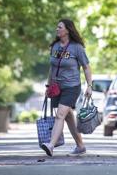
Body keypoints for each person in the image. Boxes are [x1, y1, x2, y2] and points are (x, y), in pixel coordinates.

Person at [40, 18, 93, 157]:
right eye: (57, 27)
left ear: (67, 30)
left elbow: (86, 67)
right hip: (57, 87)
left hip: (72, 87)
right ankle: (80, 146)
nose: (57, 29)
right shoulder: (55, 46)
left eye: (60, 27)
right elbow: (52, 67)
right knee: (68, 116)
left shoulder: (77, 48)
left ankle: (51, 145)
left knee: (60, 115)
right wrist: (48, 85)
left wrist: (89, 86)